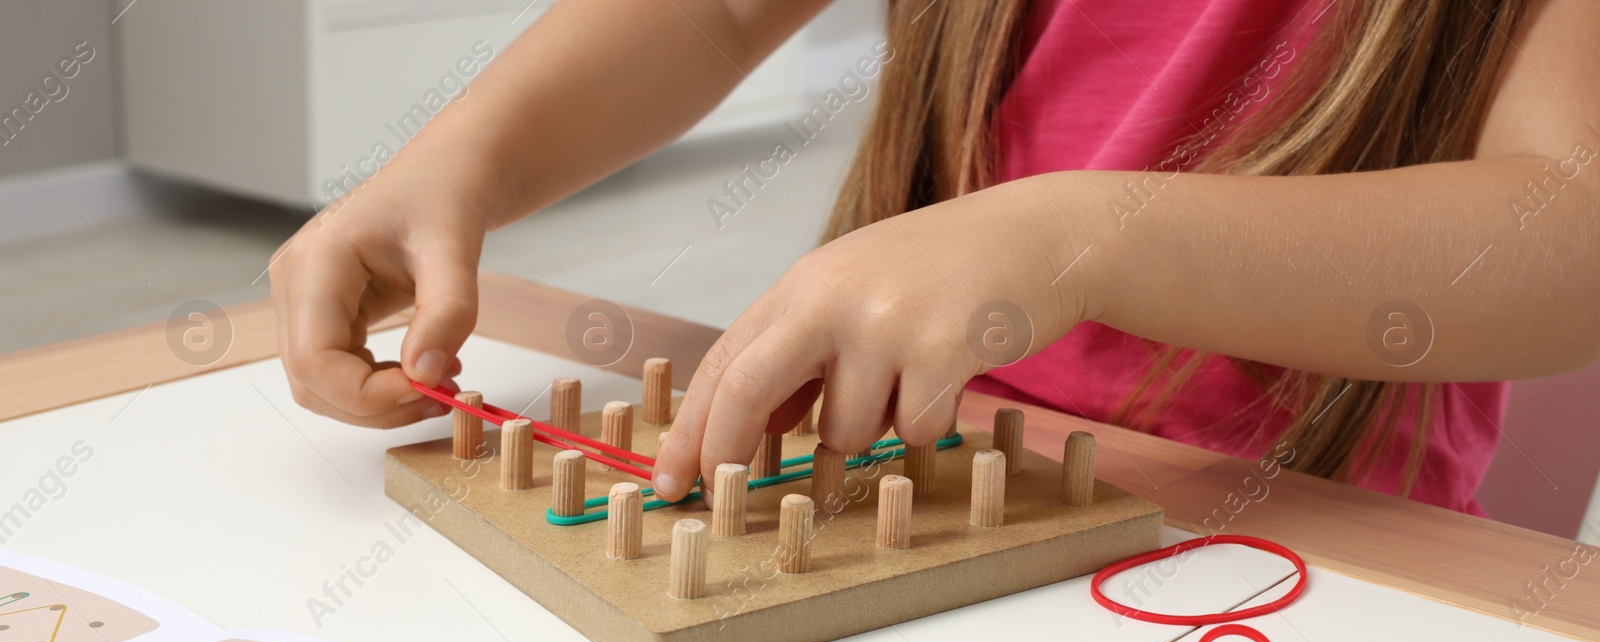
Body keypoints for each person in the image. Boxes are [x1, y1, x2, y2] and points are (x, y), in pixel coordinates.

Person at [268, 0, 1599, 516]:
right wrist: (462, 160)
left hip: (1295, 543)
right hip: (914, 461)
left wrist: (1078, 238)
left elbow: (1570, 229)